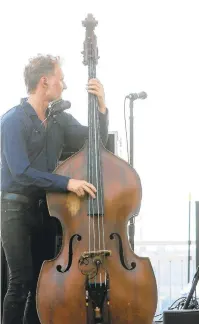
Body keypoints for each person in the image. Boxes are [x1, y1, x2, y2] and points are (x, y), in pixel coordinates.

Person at [0, 54, 109, 324]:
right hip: (14, 208)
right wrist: (67, 183)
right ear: (44, 81)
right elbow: (21, 172)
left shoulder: (59, 120)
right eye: (60, 79)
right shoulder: (13, 120)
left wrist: (102, 107)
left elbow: (96, 141)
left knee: (41, 286)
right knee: (20, 282)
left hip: (46, 210)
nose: (64, 85)